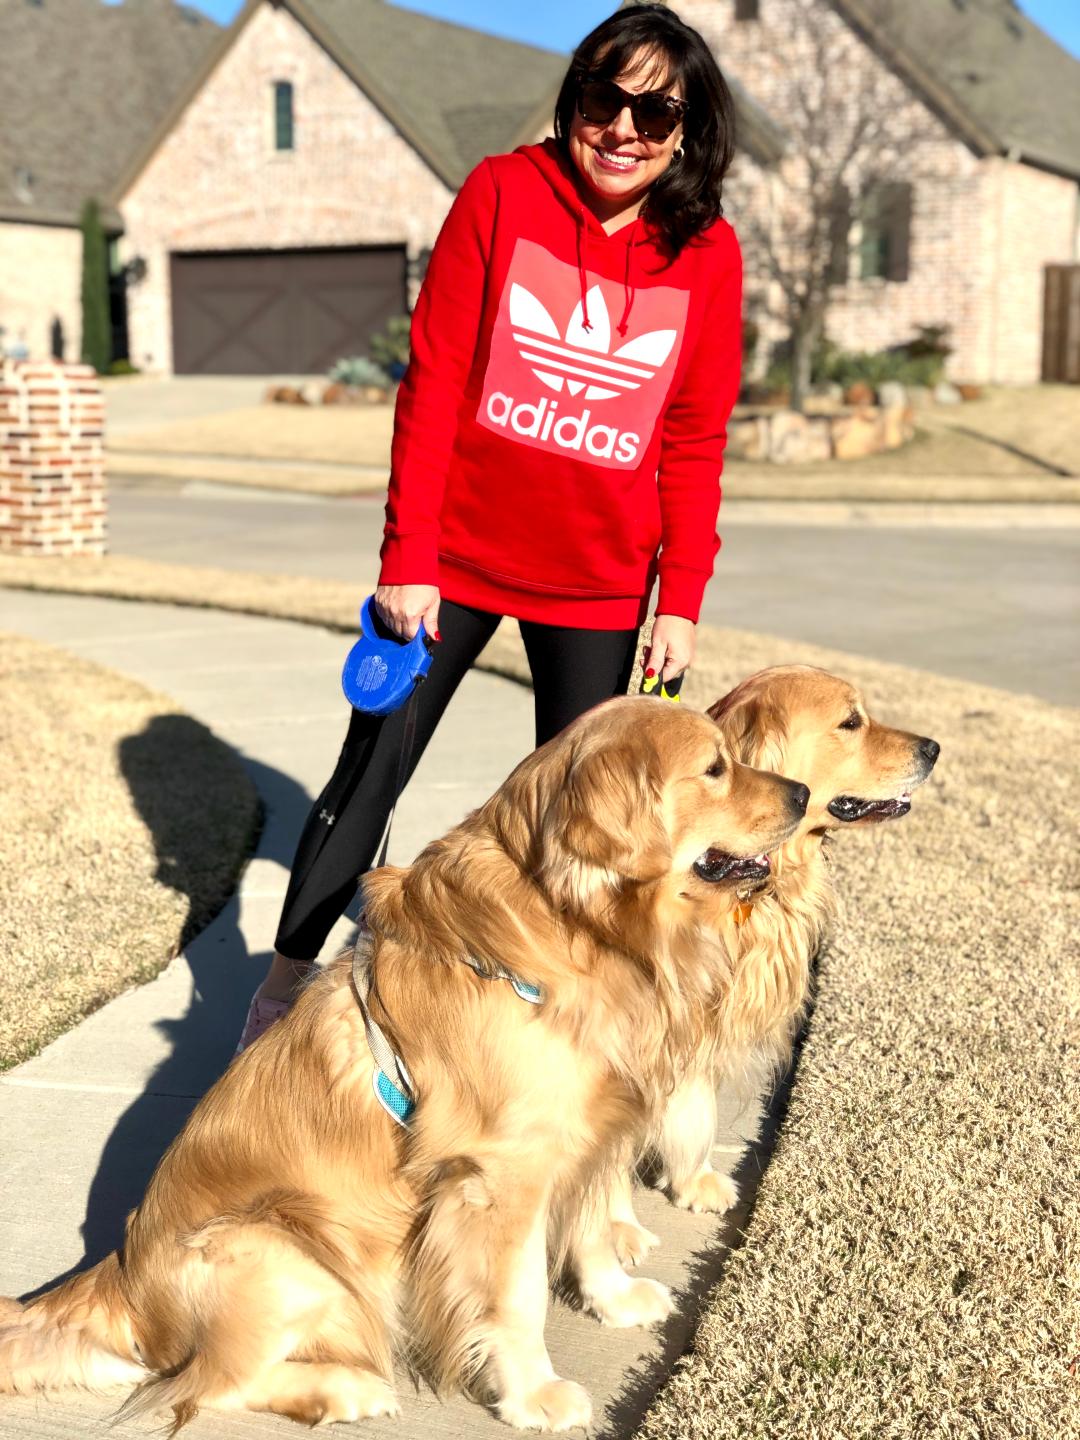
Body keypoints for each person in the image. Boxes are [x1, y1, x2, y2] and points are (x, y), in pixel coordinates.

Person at [236, 3, 744, 1050]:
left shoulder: (707, 251)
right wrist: (407, 556)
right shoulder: (504, 193)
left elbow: (694, 439)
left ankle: (544, 1021)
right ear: (575, 98)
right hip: (453, 565)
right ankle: (279, 996)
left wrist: (679, 600)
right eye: (605, 99)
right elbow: (433, 382)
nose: (624, 130)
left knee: (594, 819)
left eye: (656, 114)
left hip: (600, 586)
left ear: (686, 133)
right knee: (368, 777)